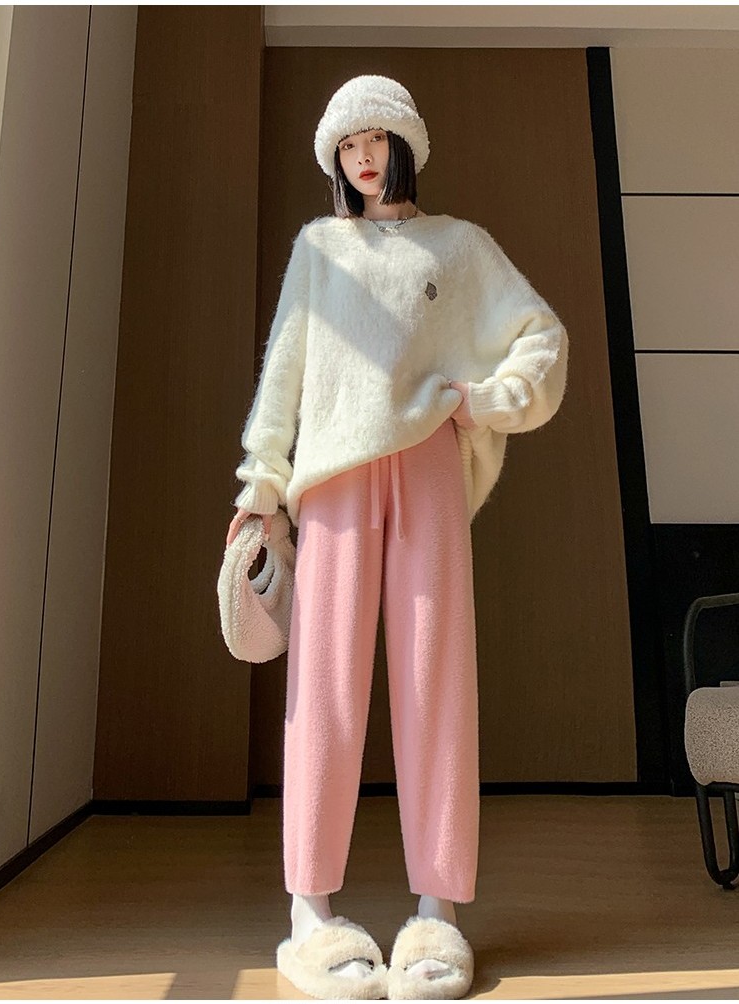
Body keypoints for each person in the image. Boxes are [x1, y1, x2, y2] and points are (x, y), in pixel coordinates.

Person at [226, 75, 569, 1000]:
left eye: (375, 138)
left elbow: (542, 336)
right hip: (335, 476)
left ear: (405, 142)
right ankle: (309, 915)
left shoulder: (459, 247)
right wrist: (261, 486)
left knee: (435, 681)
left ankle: (437, 915)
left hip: (425, 467)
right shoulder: (319, 249)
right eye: (346, 145)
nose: (362, 157)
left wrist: (485, 400)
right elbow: (285, 375)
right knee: (325, 690)